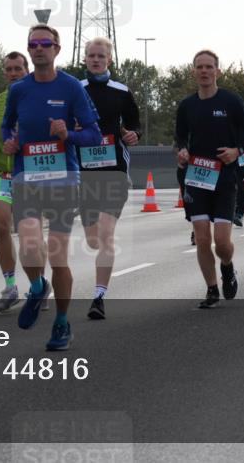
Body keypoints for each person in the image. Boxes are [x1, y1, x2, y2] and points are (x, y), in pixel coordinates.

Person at [1, 24, 101, 351]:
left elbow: (93, 135)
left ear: (57, 49)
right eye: (34, 44)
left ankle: (61, 322)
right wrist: (9, 142)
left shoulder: (71, 88)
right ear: (29, 51)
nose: (39, 48)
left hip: (63, 177)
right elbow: (6, 127)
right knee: (30, 245)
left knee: (57, 255)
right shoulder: (19, 90)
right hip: (26, 175)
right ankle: (38, 285)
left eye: (46, 43)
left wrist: (67, 135)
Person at [175, 50, 244, 309]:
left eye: (209, 67)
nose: (204, 71)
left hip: (225, 178)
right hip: (197, 177)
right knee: (201, 237)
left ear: (218, 71)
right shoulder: (187, 105)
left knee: (221, 242)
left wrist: (236, 151)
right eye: (200, 67)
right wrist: (182, 151)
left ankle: (227, 266)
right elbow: (179, 137)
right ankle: (211, 289)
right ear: (193, 71)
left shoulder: (231, 101)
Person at [77, 37, 141, 320]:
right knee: (92, 240)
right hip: (84, 173)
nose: (96, 59)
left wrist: (133, 134)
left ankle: (99, 296)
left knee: (105, 235)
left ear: (109, 60)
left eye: (101, 56)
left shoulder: (121, 91)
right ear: (85, 59)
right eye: (91, 55)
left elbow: (135, 124)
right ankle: (99, 289)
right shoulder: (75, 90)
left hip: (114, 170)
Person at [0, 52, 29, 312]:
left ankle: (38, 284)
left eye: (17, 69)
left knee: (29, 235)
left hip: (29, 175)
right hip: (0, 174)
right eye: (9, 69)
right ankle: (10, 286)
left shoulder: (36, 98)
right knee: (2, 227)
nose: (13, 73)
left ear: (26, 70)